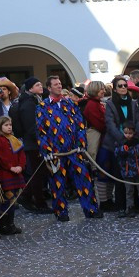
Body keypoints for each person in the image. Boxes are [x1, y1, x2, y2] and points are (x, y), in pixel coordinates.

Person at [36, 76, 100, 222]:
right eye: (56, 84)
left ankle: (91, 209)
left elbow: (80, 125)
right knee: (57, 182)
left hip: (73, 151)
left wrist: (81, 144)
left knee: (84, 179)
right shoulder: (42, 106)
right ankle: (61, 212)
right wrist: (46, 150)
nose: (59, 86)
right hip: (56, 153)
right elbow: (41, 130)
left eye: (60, 83)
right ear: (49, 88)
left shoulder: (70, 104)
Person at [9, 77, 47, 212]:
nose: (41, 86)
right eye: (38, 85)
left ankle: (26, 196)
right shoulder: (29, 104)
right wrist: (41, 141)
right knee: (37, 173)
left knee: (39, 172)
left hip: (35, 142)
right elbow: (31, 127)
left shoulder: (34, 100)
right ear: (30, 88)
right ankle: (39, 203)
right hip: (33, 143)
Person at [103, 76, 139, 212]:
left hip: (133, 142)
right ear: (115, 89)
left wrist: (134, 137)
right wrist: (122, 139)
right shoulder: (110, 104)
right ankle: (122, 205)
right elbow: (110, 123)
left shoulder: (133, 103)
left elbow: (137, 120)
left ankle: (136, 204)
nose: (123, 88)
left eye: (125, 85)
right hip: (117, 143)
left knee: (135, 175)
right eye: (120, 86)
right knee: (120, 176)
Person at [0, 116, 25, 236]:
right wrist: (11, 167)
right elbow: (0, 158)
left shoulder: (14, 140)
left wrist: (20, 166)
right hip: (6, 174)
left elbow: (21, 154)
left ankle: (11, 224)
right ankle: (3, 225)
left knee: (13, 200)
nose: (9, 127)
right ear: (0, 127)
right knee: (6, 200)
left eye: (10, 125)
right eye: (6, 125)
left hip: (16, 174)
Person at [81, 81, 111, 209]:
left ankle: (108, 199)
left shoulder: (97, 103)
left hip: (102, 139)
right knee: (101, 170)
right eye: (100, 90)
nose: (103, 91)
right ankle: (104, 201)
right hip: (98, 140)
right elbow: (99, 124)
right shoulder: (92, 105)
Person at [113, 122, 139, 218]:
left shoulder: (138, 143)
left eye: (130, 133)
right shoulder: (121, 143)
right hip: (127, 172)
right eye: (126, 133)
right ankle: (130, 207)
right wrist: (123, 149)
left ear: (134, 133)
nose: (128, 135)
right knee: (129, 191)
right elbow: (117, 154)